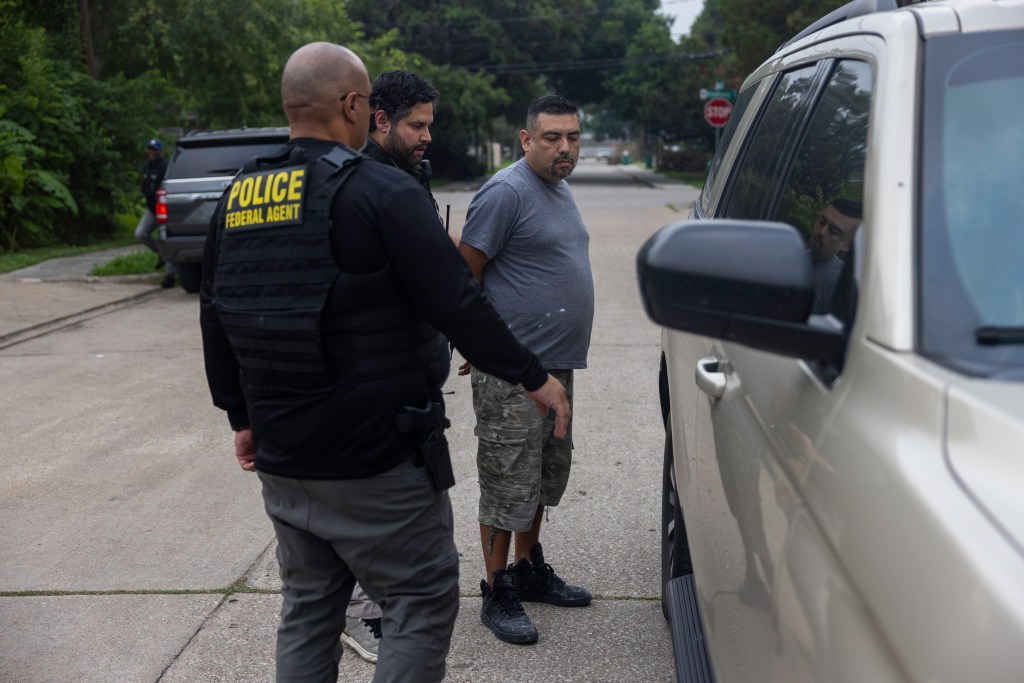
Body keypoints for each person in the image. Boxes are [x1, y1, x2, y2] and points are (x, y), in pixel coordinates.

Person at [199, 42, 570, 683]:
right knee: (420, 602)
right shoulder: (380, 191)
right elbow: (458, 302)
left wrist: (241, 414)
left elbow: (215, 313)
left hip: (285, 455)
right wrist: (535, 378)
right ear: (352, 104)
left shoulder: (238, 197)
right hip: (377, 458)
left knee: (309, 609)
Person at [457, 95, 595, 645]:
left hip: (555, 367)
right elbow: (464, 277)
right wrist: (478, 342)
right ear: (525, 139)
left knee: (538, 477)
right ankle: (496, 590)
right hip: (514, 371)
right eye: (552, 138)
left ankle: (527, 568)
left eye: (573, 138)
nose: (565, 148)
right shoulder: (506, 191)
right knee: (505, 480)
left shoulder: (559, 189)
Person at [340, 68, 443, 665]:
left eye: (429, 123)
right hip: (382, 390)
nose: (428, 135)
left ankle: (373, 607)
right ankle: (371, 612)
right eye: (417, 124)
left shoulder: (406, 175)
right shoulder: (371, 186)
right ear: (380, 120)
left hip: (409, 376)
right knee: (390, 531)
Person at [134, 138, 176, 288]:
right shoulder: (147, 166)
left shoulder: (165, 166)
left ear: (160, 151)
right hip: (152, 209)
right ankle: (161, 254)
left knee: (166, 238)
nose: (152, 152)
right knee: (140, 233)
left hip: (163, 208)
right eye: (150, 149)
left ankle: (170, 275)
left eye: (154, 149)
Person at [809, 198, 861, 314]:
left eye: (833, 231)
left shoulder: (838, 282)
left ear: (847, 245)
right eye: (822, 222)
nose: (821, 232)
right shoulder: (790, 257)